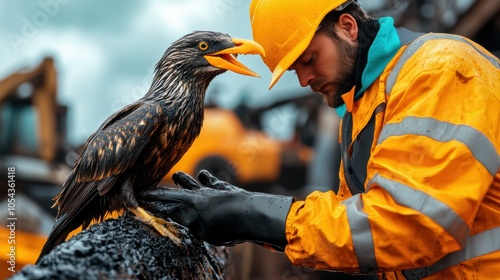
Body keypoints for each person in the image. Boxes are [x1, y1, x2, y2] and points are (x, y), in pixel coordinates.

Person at [139, 0, 500, 279]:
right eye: (295, 70)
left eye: (308, 59)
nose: (303, 80)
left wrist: (261, 218)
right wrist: (251, 209)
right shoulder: (362, 107)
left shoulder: (442, 72)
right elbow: (354, 231)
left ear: (347, 27)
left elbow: (406, 225)